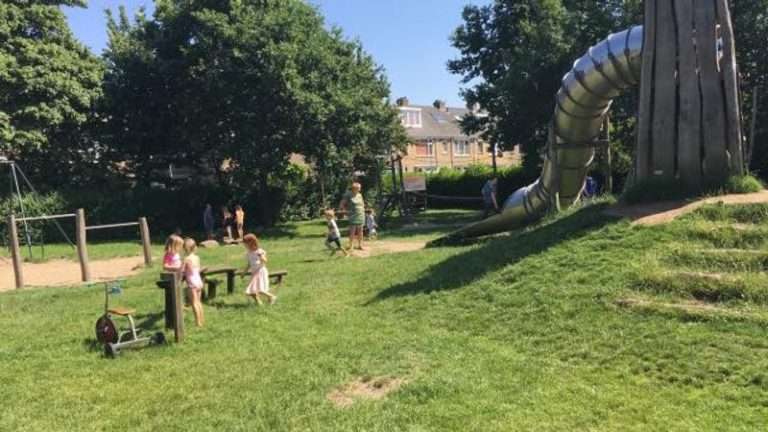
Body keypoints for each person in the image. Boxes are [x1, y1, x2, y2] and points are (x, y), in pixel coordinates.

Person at [242, 233, 276, 305]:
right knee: (252, 289)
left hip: (260, 271)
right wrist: (244, 272)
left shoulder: (259, 251)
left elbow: (265, 260)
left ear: (251, 242)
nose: (245, 245)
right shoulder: (249, 253)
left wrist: (261, 256)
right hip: (254, 273)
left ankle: (271, 296)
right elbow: (249, 264)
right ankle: (259, 302)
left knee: (258, 289)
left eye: (246, 244)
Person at [182, 238, 205, 327]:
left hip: (191, 283)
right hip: (199, 281)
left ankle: (197, 322)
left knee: (194, 303)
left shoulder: (186, 259)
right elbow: (198, 269)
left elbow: (182, 270)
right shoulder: (197, 258)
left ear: (185, 248)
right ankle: (202, 320)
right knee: (199, 302)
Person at [339, 182, 366, 251]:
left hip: (360, 214)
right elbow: (342, 204)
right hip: (353, 215)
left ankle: (360, 245)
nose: (360, 189)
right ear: (354, 188)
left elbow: (362, 203)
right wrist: (345, 212)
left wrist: (363, 209)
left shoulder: (360, 195)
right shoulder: (348, 195)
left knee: (360, 231)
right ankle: (351, 246)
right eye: (358, 188)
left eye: (360, 188)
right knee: (352, 231)